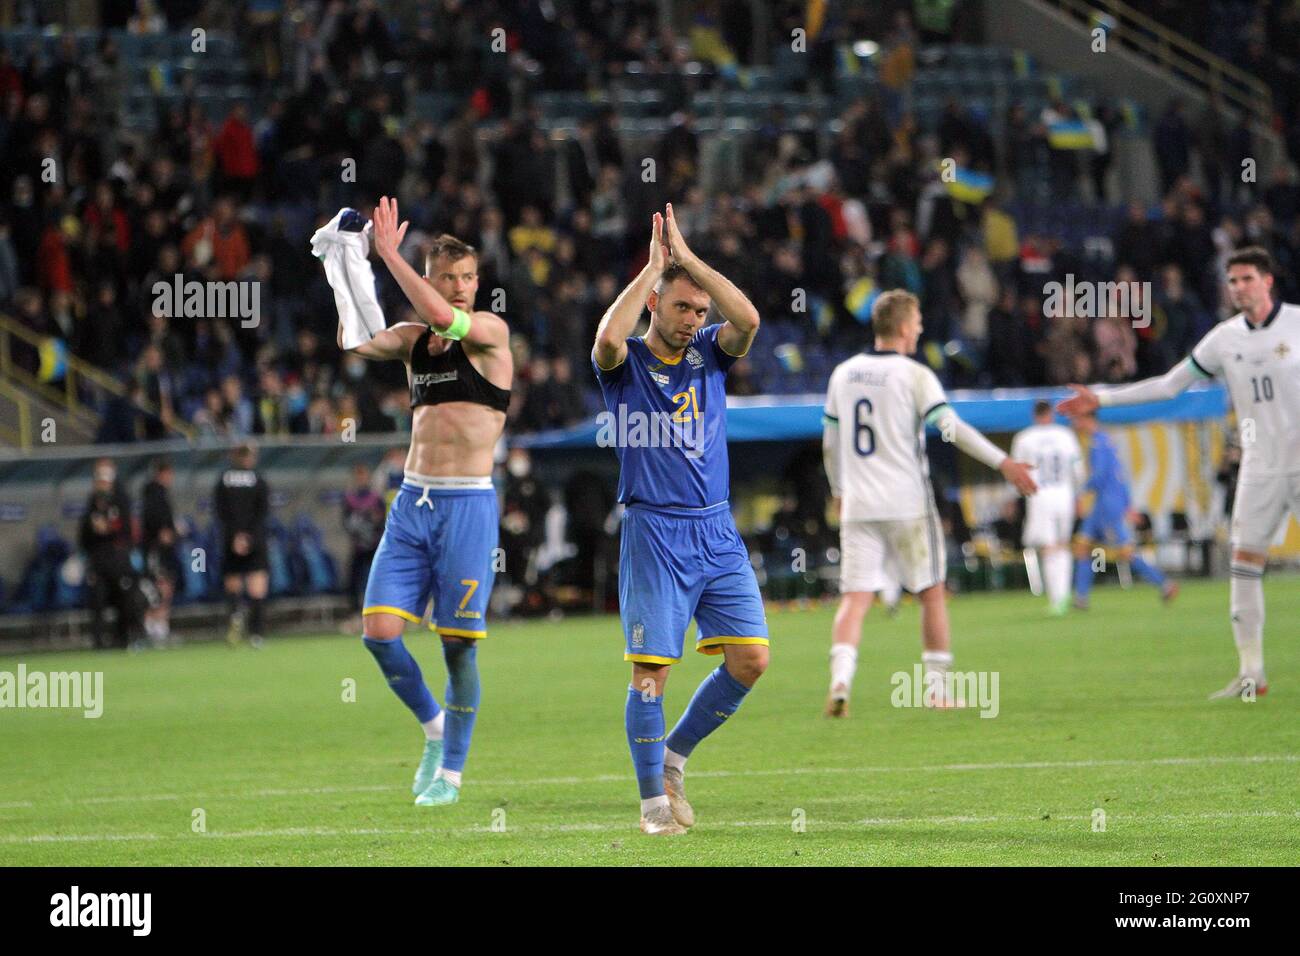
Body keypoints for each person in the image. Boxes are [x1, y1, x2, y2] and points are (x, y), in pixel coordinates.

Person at [592, 204, 765, 836]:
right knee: (650, 676)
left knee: (751, 660)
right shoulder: (625, 365)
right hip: (655, 532)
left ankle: (673, 759)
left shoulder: (711, 357)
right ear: (656, 305)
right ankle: (653, 807)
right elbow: (608, 338)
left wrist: (689, 261)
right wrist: (652, 269)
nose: (693, 320)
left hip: (716, 530)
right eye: (681, 307)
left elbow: (745, 318)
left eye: (698, 311)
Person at [1059, 245, 1297, 700]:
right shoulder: (1223, 339)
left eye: (1247, 278)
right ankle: (1252, 674)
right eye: (1232, 281)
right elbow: (1169, 385)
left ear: (1268, 281)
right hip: (1258, 469)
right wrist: (1102, 399)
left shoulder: (1298, 324)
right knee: (1244, 567)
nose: (1238, 288)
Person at [341, 198, 512, 807]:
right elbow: (354, 339)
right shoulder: (414, 342)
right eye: (450, 278)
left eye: (470, 278)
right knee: (379, 633)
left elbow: (444, 317)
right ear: (431, 277)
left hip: (468, 506)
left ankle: (453, 773)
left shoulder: (491, 335)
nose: (463, 289)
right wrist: (346, 262)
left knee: (457, 644)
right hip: (414, 502)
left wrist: (387, 255)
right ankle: (436, 731)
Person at [821, 290, 1037, 717]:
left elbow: (830, 443)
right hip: (908, 504)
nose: (920, 328)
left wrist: (839, 489)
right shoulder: (915, 375)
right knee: (932, 594)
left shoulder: (843, 374)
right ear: (903, 327)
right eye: (917, 321)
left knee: (855, 598)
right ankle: (937, 691)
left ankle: (840, 681)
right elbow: (949, 427)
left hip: (859, 505)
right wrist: (1003, 461)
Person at [1067, 410, 1178, 611]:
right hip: (1108, 502)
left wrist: (1081, 493)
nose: (1074, 423)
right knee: (1084, 547)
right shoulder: (1106, 440)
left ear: (1087, 418)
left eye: (1076, 418)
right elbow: (1121, 475)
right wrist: (1128, 505)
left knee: (1125, 551)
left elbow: (1100, 476)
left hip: (1107, 506)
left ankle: (1164, 584)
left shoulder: (1098, 443)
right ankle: (1081, 597)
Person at [1010, 400, 1084, 614]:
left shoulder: (1024, 438)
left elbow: (1017, 473)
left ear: (1034, 415)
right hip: (1065, 495)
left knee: (1049, 548)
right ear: (1051, 413)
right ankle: (1064, 593)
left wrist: (1017, 497)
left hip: (1040, 497)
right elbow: (1077, 469)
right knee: (1063, 545)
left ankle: (1057, 599)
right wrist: (1078, 496)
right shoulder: (1066, 435)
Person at [79, 458, 141, 650]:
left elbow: (126, 530)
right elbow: (84, 535)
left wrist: (109, 529)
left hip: (118, 559)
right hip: (98, 560)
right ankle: (98, 641)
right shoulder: (92, 502)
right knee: (97, 600)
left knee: (124, 598)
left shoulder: (121, 499)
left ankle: (124, 637)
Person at [214, 443, 270, 648]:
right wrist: (249, 538)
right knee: (257, 588)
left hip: (231, 541)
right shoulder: (258, 479)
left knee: (233, 587)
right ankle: (256, 634)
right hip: (255, 541)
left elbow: (221, 514)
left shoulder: (223, 480)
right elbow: (262, 514)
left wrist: (235, 538)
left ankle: (235, 622)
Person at [141, 457, 182, 646]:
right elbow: (158, 525)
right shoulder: (153, 495)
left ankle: (161, 626)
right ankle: (153, 627)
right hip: (156, 550)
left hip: (163, 550)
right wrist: (167, 532)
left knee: (165, 585)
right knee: (159, 586)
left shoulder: (159, 494)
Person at [341, 462, 385, 631]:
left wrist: (373, 529)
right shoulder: (350, 498)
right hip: (358, 546)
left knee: (378, 580)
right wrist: (358, 531)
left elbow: (382, 520)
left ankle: (382, 614)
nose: (361, 479)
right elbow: (345, 521)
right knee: (352, 581)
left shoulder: (375, 498)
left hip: (374, 545)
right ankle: (354, 616)